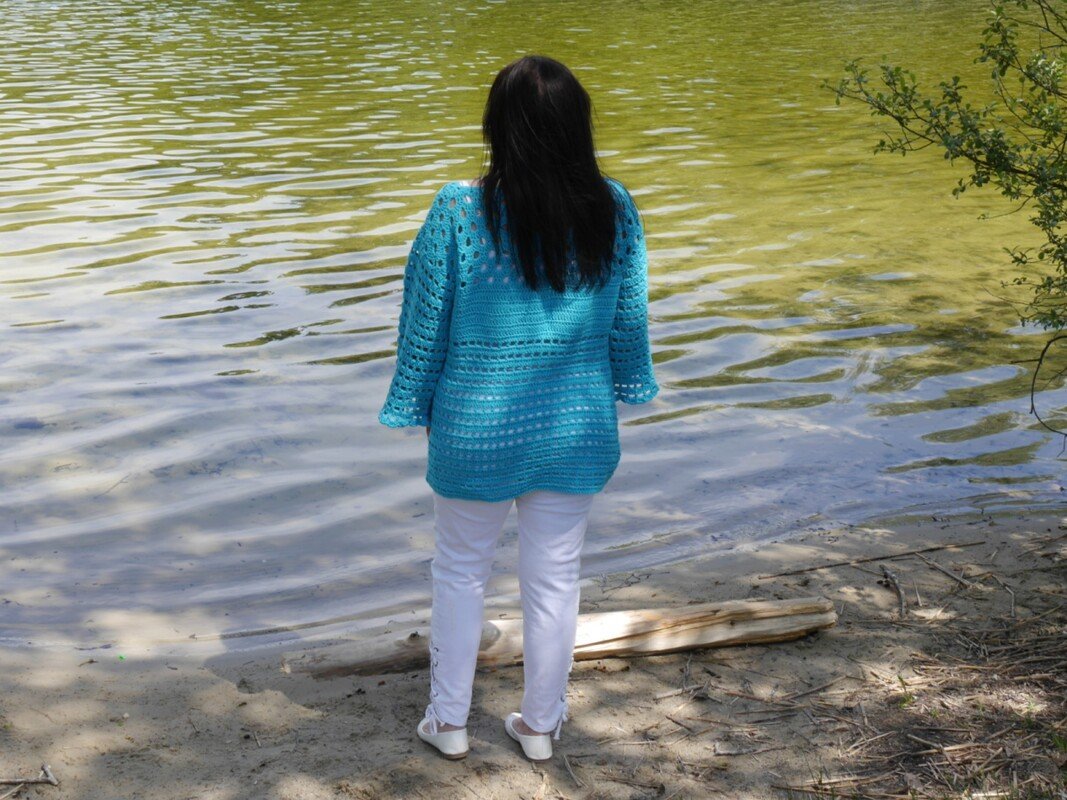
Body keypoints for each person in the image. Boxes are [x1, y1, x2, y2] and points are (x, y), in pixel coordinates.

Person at [377, 54, 658, 762]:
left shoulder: (458, 209)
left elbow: (425, 322)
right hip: (576, 426)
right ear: (578, 125)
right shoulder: (613, 207)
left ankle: (447, 721)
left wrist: (414, 401)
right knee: (556, 576)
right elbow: (628, 320)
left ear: (496, 126)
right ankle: (539, 727)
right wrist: (629, 383)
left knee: (459, 570)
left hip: (476, 426)